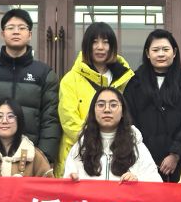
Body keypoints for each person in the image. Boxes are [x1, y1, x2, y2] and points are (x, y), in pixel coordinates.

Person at [0, 8, 60, 163]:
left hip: (30, 159)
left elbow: (50, 120)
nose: (16, 32)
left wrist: (44, 158)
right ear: (3, 34)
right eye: (10, 28)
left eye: (22, 28)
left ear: (30, 35)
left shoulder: (44, 74)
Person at [55, 22, 133, 170]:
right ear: (86, 46)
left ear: (112, 46)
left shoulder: (125, 79)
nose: (100, 47)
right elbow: (69, 120)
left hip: (117, 154)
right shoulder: (70, 80)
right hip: (78, 155)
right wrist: (95, 143)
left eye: (105, 42)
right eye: (94, 42)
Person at [125, 28, 181, 182]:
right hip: (141, 160)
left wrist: (175, 153)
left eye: (165, 49)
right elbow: (128, 120)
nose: (161, 54)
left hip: (179, 161)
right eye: (155, 50)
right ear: (147, 53)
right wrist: (144, 156)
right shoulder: (136, 82)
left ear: (174, 52)